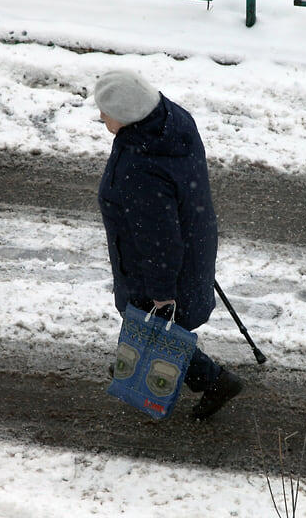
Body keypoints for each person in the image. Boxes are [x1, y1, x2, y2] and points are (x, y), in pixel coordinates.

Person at [94, 69, 242, 421]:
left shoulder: (140, 168)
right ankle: (140, 357)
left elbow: (159, 243)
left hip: (157, 263)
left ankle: (212, 380)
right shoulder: (171, 123)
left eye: (107, 111)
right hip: (193, 236)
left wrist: (162, 292)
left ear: (130, 115)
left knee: (155, 320)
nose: (101, 116)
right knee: (152, 322)